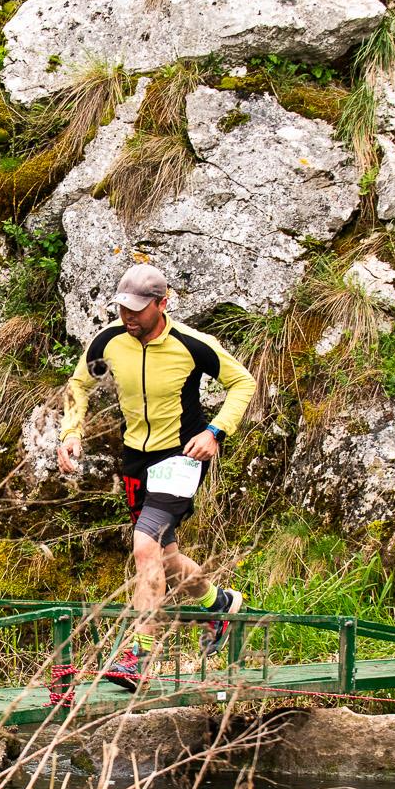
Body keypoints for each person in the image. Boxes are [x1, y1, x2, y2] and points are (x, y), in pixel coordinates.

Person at [56, 264, 257, 689]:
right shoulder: (109, 341)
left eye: (138, 310)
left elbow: (243, 383)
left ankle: (138, 656)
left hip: (181, 458)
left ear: (162, 304)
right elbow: (79, 385)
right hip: (135, 460)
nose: (129, 317)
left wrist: (215, 431)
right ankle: (217, 603)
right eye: (123, 309)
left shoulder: (192, 344)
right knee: (164, 557)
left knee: (144, 549)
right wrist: (71, 431)